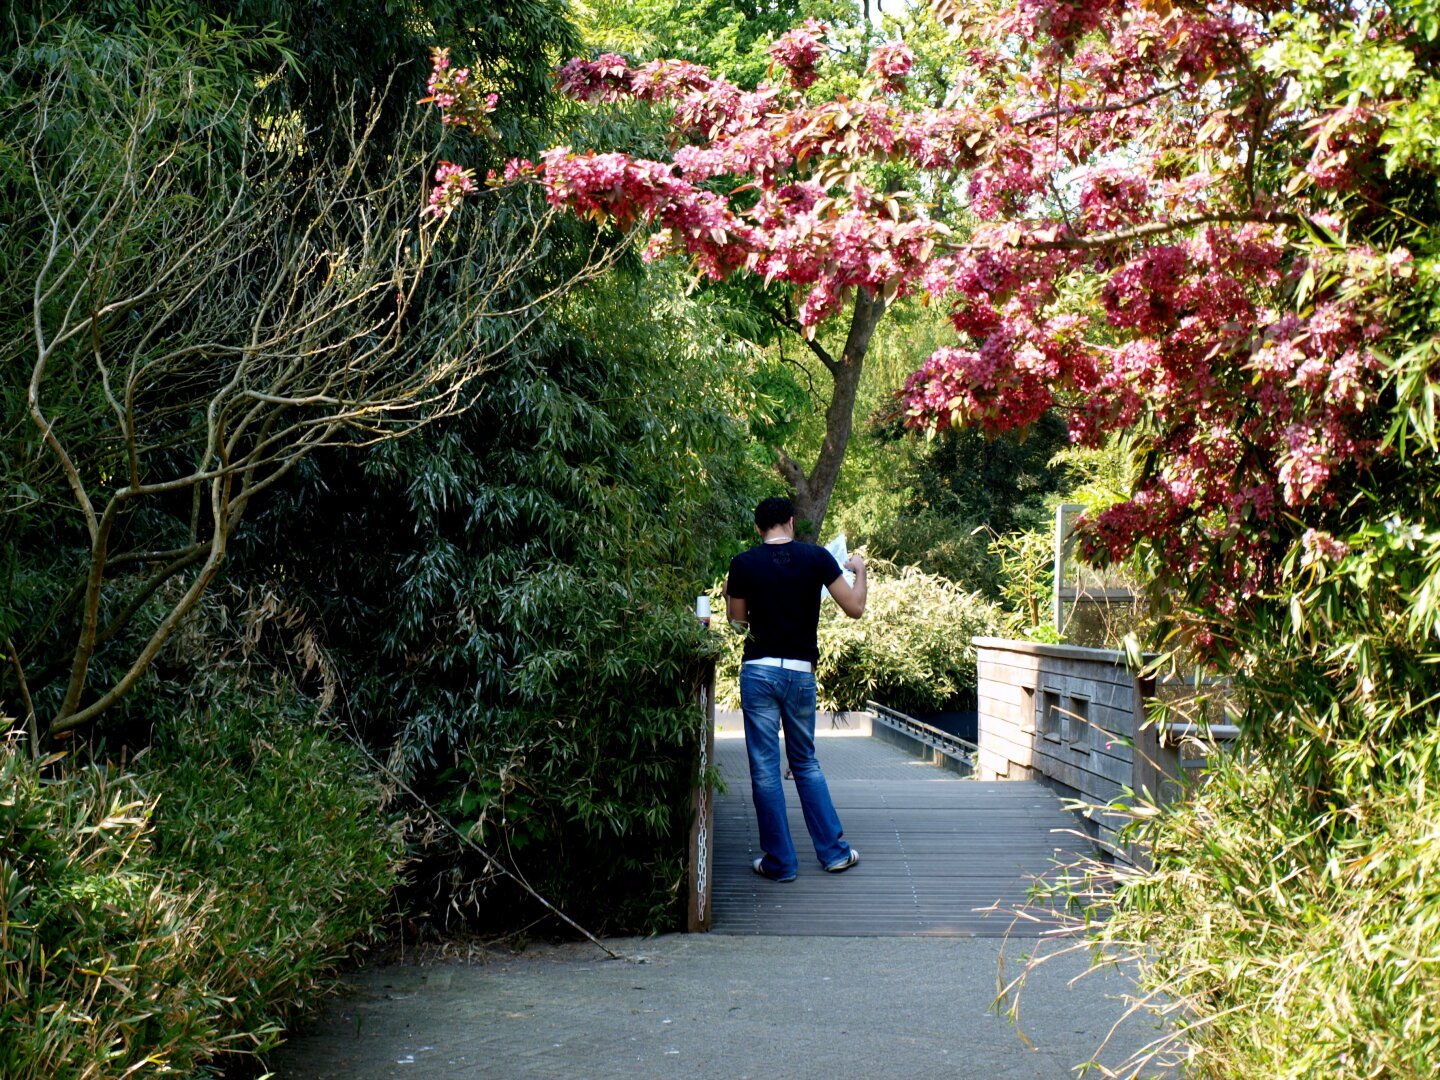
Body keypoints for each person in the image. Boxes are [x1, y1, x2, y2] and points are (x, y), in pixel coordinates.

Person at [725, 496, 867, 882]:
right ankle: (835, 853)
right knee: (805, 762)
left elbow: (738, 625)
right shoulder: (818, 558)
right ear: (790, 521)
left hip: (759, 671)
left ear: (758, 528)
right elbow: (854, 608)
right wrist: (860, 570)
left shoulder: (742, 564)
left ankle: (781, 863)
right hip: (801, 673)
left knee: (765, 768)